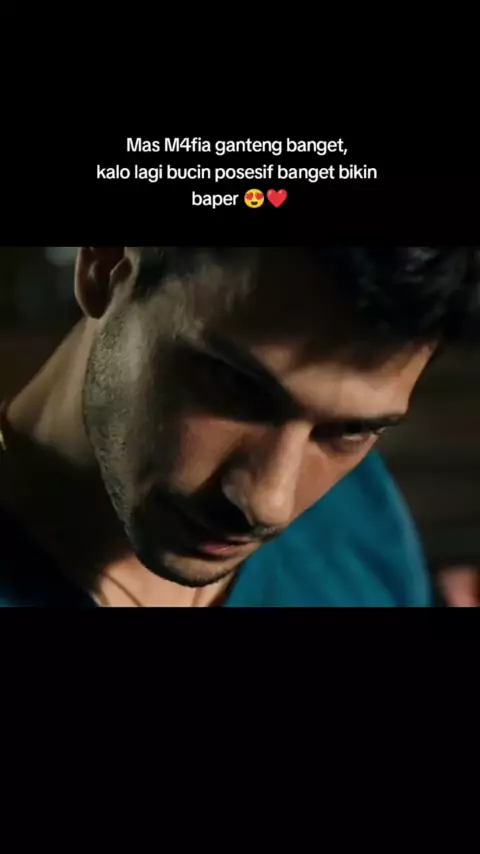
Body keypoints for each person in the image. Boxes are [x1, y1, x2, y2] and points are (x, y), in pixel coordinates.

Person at [0, 246, 478, 607]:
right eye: (235, 387)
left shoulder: (363, 513)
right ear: (104, 266)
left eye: (349, 430)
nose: (270, 503)